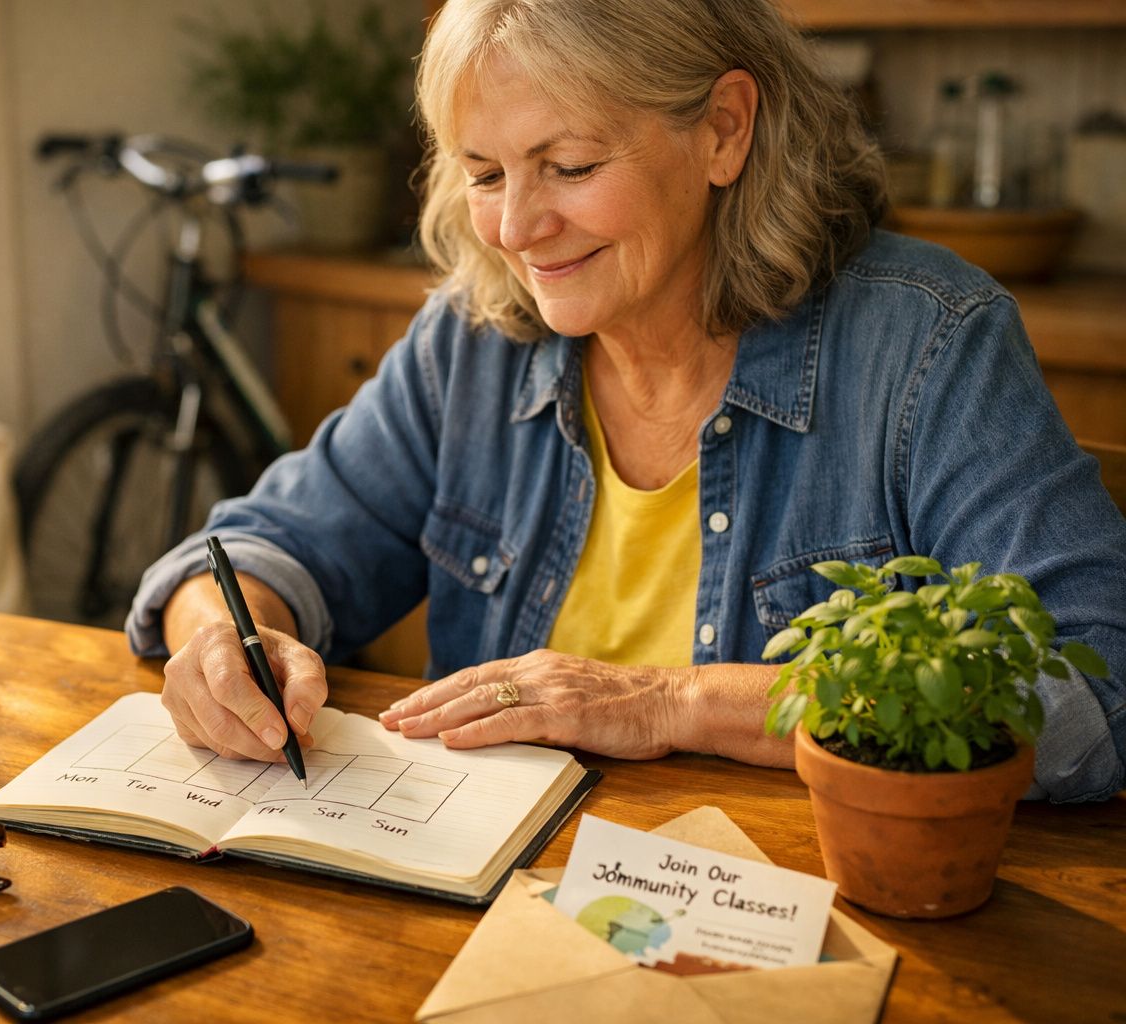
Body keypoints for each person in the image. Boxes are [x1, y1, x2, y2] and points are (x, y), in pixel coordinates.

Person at [126, 0, 1126, 801]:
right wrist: (221, 635)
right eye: (484, 172)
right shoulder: (476, 338)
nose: (517, 227)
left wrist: (671, 702)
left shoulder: (926, 342)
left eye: (571, 166)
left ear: (724, 131)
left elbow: (1095, 690)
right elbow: (268, 543)